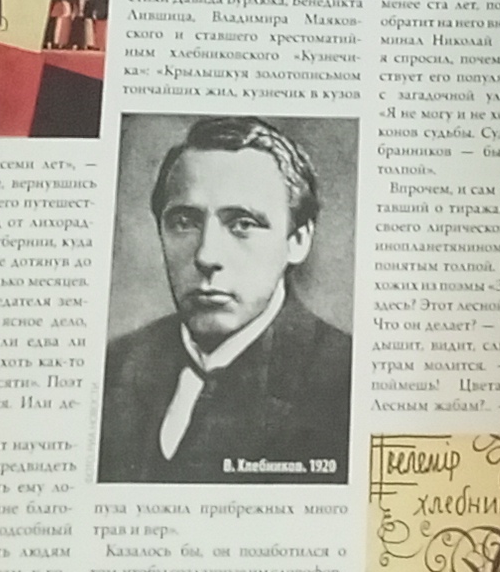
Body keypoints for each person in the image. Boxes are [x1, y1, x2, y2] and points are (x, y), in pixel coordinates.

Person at [94, 116, 354, 484]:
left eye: (242, 224)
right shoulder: (115, 366)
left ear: (298, 240)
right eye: (184, 222)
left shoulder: (345, 384)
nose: (206, 255)